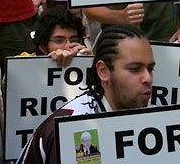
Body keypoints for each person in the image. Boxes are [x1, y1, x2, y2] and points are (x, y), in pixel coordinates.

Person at [17, 24, 155, 164]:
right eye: (134, 69)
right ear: (103, 71)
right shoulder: (77, 128)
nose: (147, 78)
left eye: (150, 69)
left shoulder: (142, 116)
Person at [21, 8, 90, 67]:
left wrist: (90, 63)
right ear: (43, 47)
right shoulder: (22, 63)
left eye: (73, 40)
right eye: (59, 41)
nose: (68, 46)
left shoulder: (87, 59)